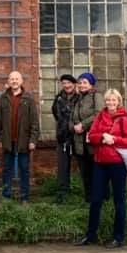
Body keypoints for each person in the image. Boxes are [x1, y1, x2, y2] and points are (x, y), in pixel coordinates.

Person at [75, 88, 127, 248]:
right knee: (95, 200)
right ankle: (91, 235)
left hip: (117, 164)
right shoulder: (100, 116)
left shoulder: (124, 119)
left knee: (119, 200)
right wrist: (103, 137)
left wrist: (114, 139)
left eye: (113, 100)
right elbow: (91, 136)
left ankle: (118, 237)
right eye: (108, 100)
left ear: (118, 101)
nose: (110, 102)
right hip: (100, 163)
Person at [0, 70, 40, 203]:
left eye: (16, 79)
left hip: (24, 141)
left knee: (24, 169)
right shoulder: (3, 99)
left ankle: (24, 197)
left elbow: (34, 122)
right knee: (7, 169)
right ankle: (6, 197)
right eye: (12, 79)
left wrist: (33, 140)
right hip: (8, 140)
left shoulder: (28, 99)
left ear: (21, 81)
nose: (14, 81)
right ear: (8, 81)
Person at [69, 72, 104, 202]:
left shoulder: (96, 96)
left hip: (92, 140)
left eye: (85, 82)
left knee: (96, 170)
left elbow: (99, 114)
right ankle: (89, 198)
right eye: (80, 82)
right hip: (79, 141)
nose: (82, 85)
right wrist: (73, 127)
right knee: (85, 171)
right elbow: (71, 117)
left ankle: (102, 196)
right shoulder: (77, 99)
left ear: (91, 84)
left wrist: (83, 125)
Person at [52, 73, 80, 203]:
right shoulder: (58, 98)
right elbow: (55, 113)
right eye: (64, 83)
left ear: (74, 84)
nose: (66, 85)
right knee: (63, 167)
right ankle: (62, 194)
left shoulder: (80, 97)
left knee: (84, 166)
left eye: (69, 83)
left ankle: (89, 193)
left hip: (77, 136)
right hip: (62, 137)